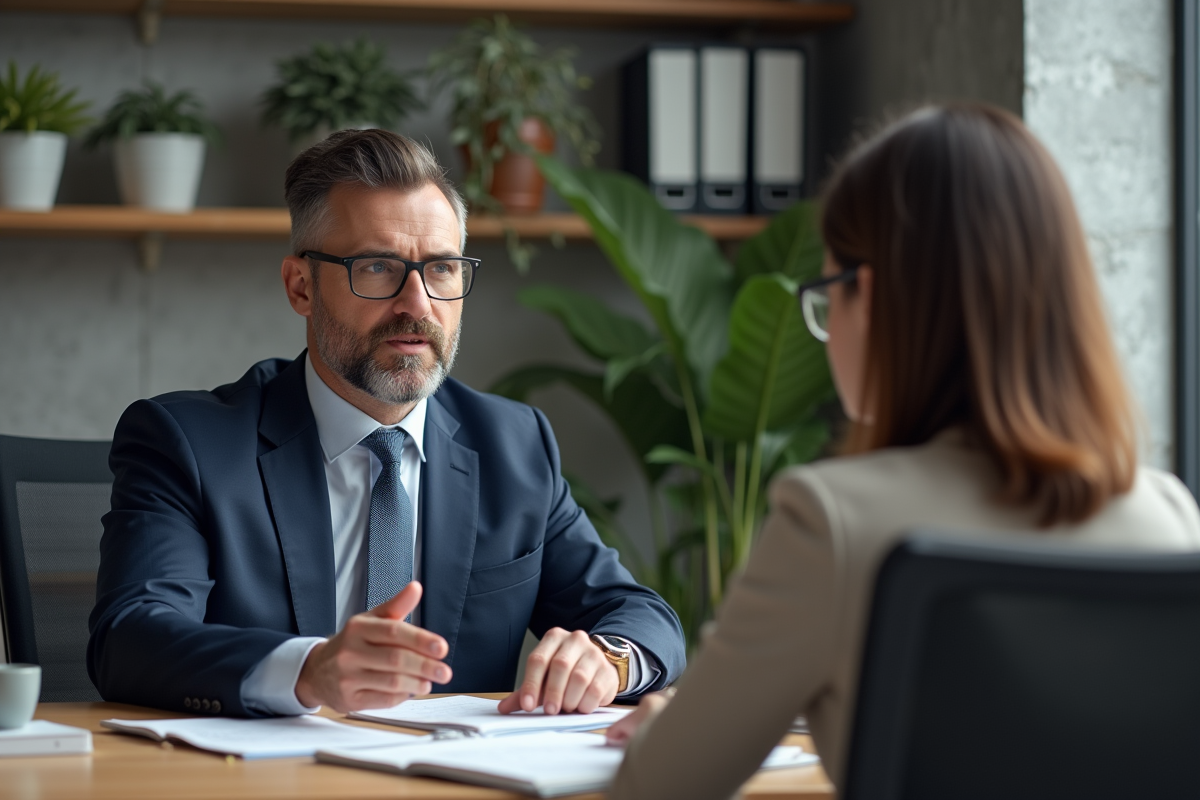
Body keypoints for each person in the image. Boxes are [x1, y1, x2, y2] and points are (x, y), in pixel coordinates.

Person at [604, 104, 1200, 798]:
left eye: (827, 295)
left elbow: (658, 790)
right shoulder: (1171, 517)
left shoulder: (832, 520)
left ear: (874, 295)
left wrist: (661, 736)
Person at [87, 129, 685, 718]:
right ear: (301, 286)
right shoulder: (188, 443)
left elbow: (638, 615)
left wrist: (608, 660)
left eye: (442, 270)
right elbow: (131, 637)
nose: (418, 304)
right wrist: (308, 670)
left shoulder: (513, 445)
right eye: (377, 267)